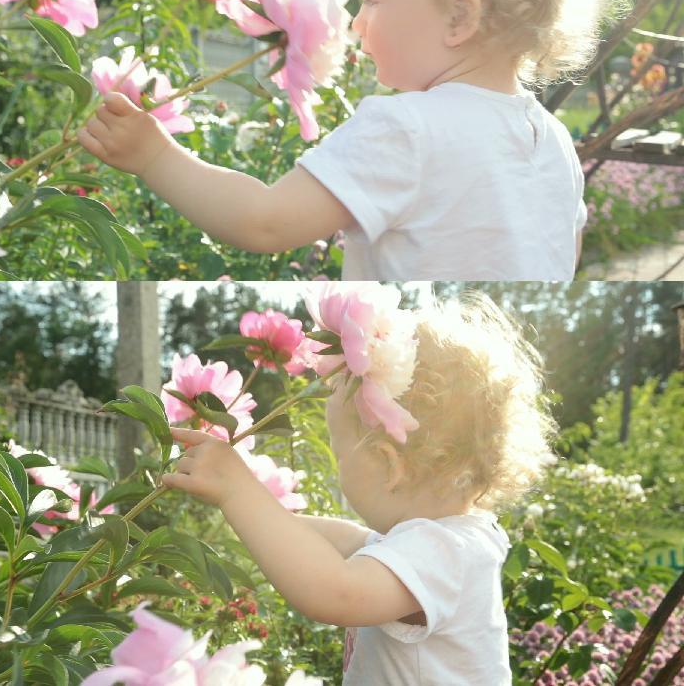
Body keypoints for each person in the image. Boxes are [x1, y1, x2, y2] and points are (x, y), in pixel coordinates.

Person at [80, 0, 627, 280]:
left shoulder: (408, 130)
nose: (358, 21)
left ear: (459, 16)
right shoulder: (554, 141)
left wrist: (155, 156)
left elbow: (265, 222)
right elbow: (562, 257)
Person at [165, 292, 555, 683]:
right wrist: (253, 506)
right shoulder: (446, 540)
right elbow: (351, 540)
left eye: (339, 451)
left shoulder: (444, 552)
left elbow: (337, 594)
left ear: (389, 465)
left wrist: (237, 492)